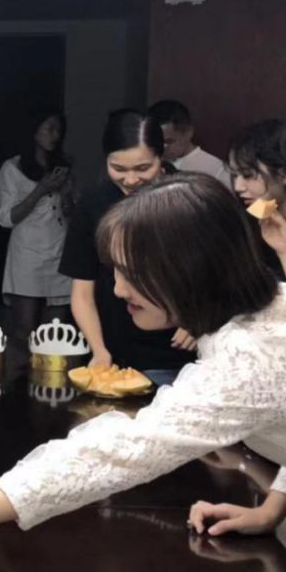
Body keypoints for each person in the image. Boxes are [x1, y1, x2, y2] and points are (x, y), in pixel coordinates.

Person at [0, 174, 286, 541]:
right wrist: (271, 510)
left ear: (189, 270)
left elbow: (117, 453)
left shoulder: (249, 356)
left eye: (132, 273)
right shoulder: (262, 318)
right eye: (114, 271)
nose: (117, 289)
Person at [59, 109, 195, 381]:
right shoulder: (94, 203)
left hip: (174, 353)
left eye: (143, 168)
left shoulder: (188, 197)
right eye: (118, 169)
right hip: (113, 351)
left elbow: (220, 274)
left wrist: (199, 321)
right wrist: (99, 350)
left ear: (161, 156)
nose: (130, 180)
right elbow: (82, 290)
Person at [0, 108, 74, 348]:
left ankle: (49, 371)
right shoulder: (12, 167)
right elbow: (6, 218)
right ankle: (21, 369)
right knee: (24, 329)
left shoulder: (63, 165)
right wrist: (41, 189)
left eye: (59, 130)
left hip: (59, 248)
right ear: (34, 130)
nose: (55, 135)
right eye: (50, 129)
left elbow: (70, 213)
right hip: (27, 252)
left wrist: (65, 194)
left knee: (56, 332)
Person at [228, 119, 286, 281]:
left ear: (285, 171)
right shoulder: (246, 222)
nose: (238, 187)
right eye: (234, 175)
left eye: (248, 175)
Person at [147, 99, 230, 186]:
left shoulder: (216, 169)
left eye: (169, 141)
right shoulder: (150, 165)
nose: (162, 147)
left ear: (188, 132)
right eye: (156, 141)